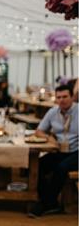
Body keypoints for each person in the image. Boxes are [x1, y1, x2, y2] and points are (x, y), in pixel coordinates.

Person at [29, 81, 78, 217]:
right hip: (59, 150)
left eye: (65, 97)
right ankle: (49, 201)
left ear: (72, 97)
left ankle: (45, 204)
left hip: (76, 151)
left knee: (61, 168)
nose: (61, 100)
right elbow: (38, 131)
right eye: (59, 97)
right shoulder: (52, 112)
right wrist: (49, 138)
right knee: (38, 165)